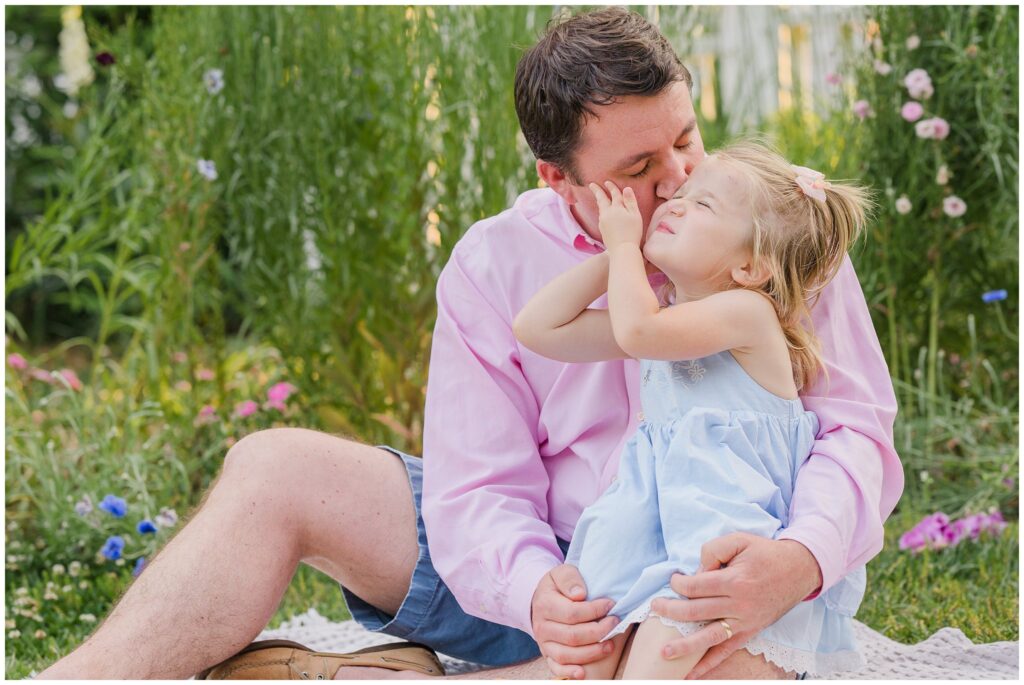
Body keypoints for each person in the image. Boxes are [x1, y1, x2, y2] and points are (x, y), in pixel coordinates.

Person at [37, 7, 901, 681]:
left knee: (692, 655)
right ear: (558, 179)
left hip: (708, 560)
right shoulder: (495, 262)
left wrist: (797, 560)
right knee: (273, 466)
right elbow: (480, 485)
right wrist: (537, 591)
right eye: (638, 170)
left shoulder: (770, 236)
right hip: (559, 576)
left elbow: (854, 430)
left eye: (685, 140)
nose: (677, 181)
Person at [513, 140, 873, 679]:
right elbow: (537, 329)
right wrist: (618, 255)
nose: (675, 204)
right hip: (645, 528)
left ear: (751, 267)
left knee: (661, 661)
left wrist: (624, 243)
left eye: (703, 206)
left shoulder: (747, 314)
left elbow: (637, 330)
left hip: (717, 534)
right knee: (586, 663)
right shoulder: (668, 318)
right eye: (684, 195)